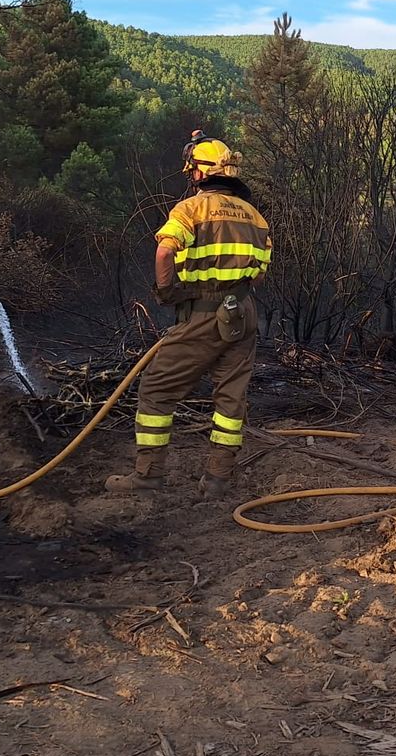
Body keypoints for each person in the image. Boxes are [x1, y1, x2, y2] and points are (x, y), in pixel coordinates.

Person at [106, 139, 273, 499]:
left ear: (199, 172)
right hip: (243, 312)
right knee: (231, 397)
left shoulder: (191, 208)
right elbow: (259, 274)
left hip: (202, 312)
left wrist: (167, 293)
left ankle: (148, 475)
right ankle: (217, 480)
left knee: (156, 389)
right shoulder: (255, 216)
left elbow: (164, 251)